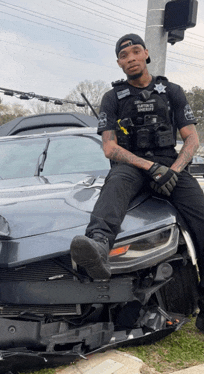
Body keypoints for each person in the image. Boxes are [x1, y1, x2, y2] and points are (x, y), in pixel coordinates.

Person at [70, 33, 204, 330]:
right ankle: (99, 247)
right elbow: (110, 148)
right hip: (132, 165)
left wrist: (174, 170)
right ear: (118, 63)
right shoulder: (112, 97)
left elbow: (191, 138)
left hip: (171, 165)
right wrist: (150, 167)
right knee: (114, 184)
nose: (129, 58)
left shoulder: (173, 91)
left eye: (134, 52)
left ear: (145, 54)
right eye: (123, 55)